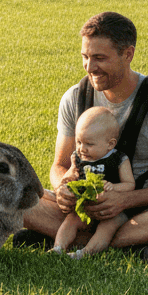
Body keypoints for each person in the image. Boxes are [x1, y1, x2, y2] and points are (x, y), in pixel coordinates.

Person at [18, 11, 148, 261]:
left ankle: (71, 239)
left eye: (99, 58)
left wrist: (123, 201)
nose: (90, 67)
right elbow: (59, 165)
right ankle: (133, 244)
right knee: (13, 195)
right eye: (85, 57)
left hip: (140, 211)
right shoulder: (75, 97)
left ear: (128, 54)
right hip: (84, 209)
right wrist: (63, 189)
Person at [51, 107, 135, 259]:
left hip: (111, 211)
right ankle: (58, 248)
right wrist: (67, 182)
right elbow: (70, 175)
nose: (82, 148)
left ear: (110, 144)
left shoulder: (119, 159)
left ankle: (85, 253)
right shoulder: (77, 157)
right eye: (79, 141)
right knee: (71, 220)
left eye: (89, 144)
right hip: (85, 207)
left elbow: (130, 185)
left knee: (107, 227)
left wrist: (114, 187)